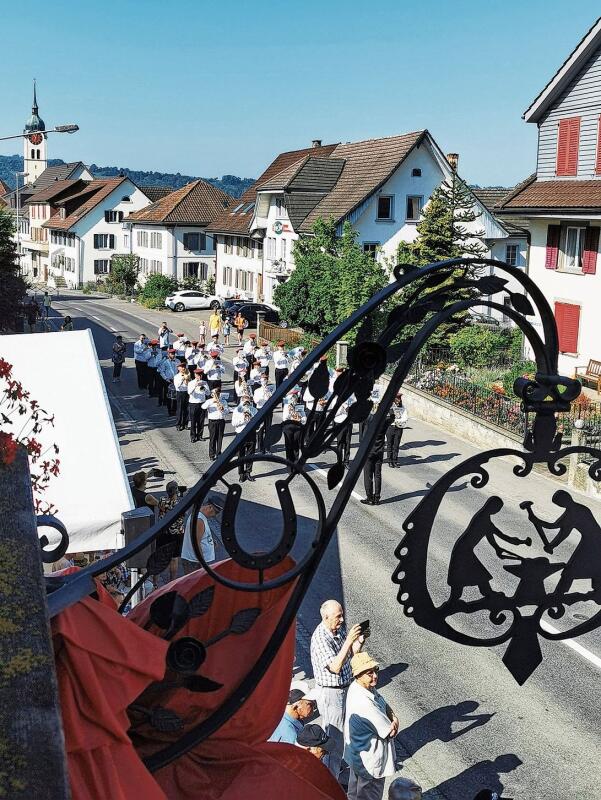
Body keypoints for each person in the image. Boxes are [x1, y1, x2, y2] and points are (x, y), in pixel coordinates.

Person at [310, 599, 365, 779]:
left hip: (344, 687)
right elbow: (335, 666)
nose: (342, 620)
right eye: (338, 616)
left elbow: (348, 653)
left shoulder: (337, 628)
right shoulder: (320, 639)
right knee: (333, 738)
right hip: (331, 692)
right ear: (326, 617)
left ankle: (337, 764)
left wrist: (357, 645)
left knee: (345, 731)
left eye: (342, 615)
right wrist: (349, 641)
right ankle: (330, 778)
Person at [344, 652, 399, 800]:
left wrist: (392, 716)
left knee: (353, 795)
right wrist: (394, 719)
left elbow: (383, 701)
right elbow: (390, 731)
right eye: (369, 673)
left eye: (375, 671)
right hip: (370, 763)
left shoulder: (359, 687)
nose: (375, 676)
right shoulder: (365, 703)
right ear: (358, 675)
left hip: (358, 757)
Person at [361, 406, 394, 506]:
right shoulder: (385, 421)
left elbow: (364, 414)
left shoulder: (371, 421)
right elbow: (392, 417)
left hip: (369, 451)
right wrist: (390, 406)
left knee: (368, 475)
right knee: (378, 474)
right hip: (379, 451)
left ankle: (369, 497)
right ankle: (377, 498)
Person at [180, 500, 221, 573]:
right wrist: (202, 563)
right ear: (210, 507)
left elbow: (201, 536)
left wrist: (210, 542)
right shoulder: (199, 520)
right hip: (195, 561)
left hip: (196, 561)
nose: (215, 515)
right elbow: (196, 543)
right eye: (216, 512)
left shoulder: (200, 516)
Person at [157, 481, 185, 582]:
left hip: (163, 532)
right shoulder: (181, 503)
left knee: (160, 557)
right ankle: (172, 581)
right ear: (176, 491)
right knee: (174, 559)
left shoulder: (162, 500)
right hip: (177, 533)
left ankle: (155, 582)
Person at [232, 394, 257, 482]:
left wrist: (255, 425)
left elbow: (259, 422)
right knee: (240, 455)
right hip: (241, 434)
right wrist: (243, 420)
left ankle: (248, 473)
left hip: (251, 434)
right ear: (242, 401)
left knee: (250, 455)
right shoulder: (237, 410)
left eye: (248, 401)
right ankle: (241, 474)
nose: (247, 403)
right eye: (245, 401)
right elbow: (234, 423)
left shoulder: (254, 410)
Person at [202, 387, 231, 460]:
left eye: (218, 393)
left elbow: (227, 411)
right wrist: (212, 402)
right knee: (213, 438)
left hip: (221, 421)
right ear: (212, 394)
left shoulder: (223, 401)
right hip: (212, 421)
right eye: (215, 393)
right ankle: (212, 454)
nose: (217, 395)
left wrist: (223, 408)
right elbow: (203, 407)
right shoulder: (209, 401)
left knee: (220, 438)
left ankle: (218, 453)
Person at [282, 388, 306, 469]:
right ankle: (289, 464)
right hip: (288, 427)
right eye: (293, 396)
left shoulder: (299, 406)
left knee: (296, 446)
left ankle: (296, 463)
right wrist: (291, 413)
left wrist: (300, 418)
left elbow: (304, 418)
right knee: (289, 446)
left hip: (297, 427)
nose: (294, 398)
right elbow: (285, 418)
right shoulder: (286, 406)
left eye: (295, 396)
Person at [253, 373, 275, 454]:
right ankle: (260, 449)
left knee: (268, 430)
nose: (264, 381)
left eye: (265, 379)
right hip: (260, 410)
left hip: (268, 411)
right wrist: (263, 394)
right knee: (260, 430)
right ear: (260, 381)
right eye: (263, 379)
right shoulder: (257, 391)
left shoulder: (270, 390)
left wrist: (269, 394)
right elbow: (256, 401)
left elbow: (272, 400)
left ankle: (267, 448)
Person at [386, 393, 408, 468]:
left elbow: (405, 416)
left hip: (399, 427)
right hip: (391, 427)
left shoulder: (403, 407)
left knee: (396, 445)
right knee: (390, 444)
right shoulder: (390, 406)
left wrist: (400, 421)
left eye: (399, 399)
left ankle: (395, 460)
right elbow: (388, 417)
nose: (398, 400)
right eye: (397, 399)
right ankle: (389, 461)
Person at [188, 368, 209, 443]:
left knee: (201, 420)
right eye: (198, 375)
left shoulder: (204, 383)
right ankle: (193, 436)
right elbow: (189, 392)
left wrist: (205, 388)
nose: (199, 376)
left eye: (200, 375)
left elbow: (208, 393)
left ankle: (200, 435)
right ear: (195, 375)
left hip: (202, 403)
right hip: (193, 403)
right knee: (193, 420)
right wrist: (195, 385)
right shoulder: (191, 383)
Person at [158, 349, 180, 415]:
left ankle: (174, 410)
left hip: (176, 381)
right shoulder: (165, 362)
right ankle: (169, 411)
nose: (173, 355)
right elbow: (162, 371)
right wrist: (166, 379)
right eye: (171, 354)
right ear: (168, 354)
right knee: (169, 396)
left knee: (175, 396)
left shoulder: (178, 361)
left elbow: (180, 370)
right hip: (168, 381)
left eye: (173, 354)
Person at [173, 362, 191, 431]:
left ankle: (185, 424)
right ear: (178, 368)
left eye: (184, 367)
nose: (183, 368)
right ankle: (178, 424)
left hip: (186, 392)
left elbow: (190, 384)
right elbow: (177, 386)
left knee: (186, 409)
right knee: (180, 409)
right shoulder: (176, 376)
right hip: (180, 393)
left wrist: (188, 379)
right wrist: (183, 379)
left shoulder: (188, 375)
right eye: (181, 367)